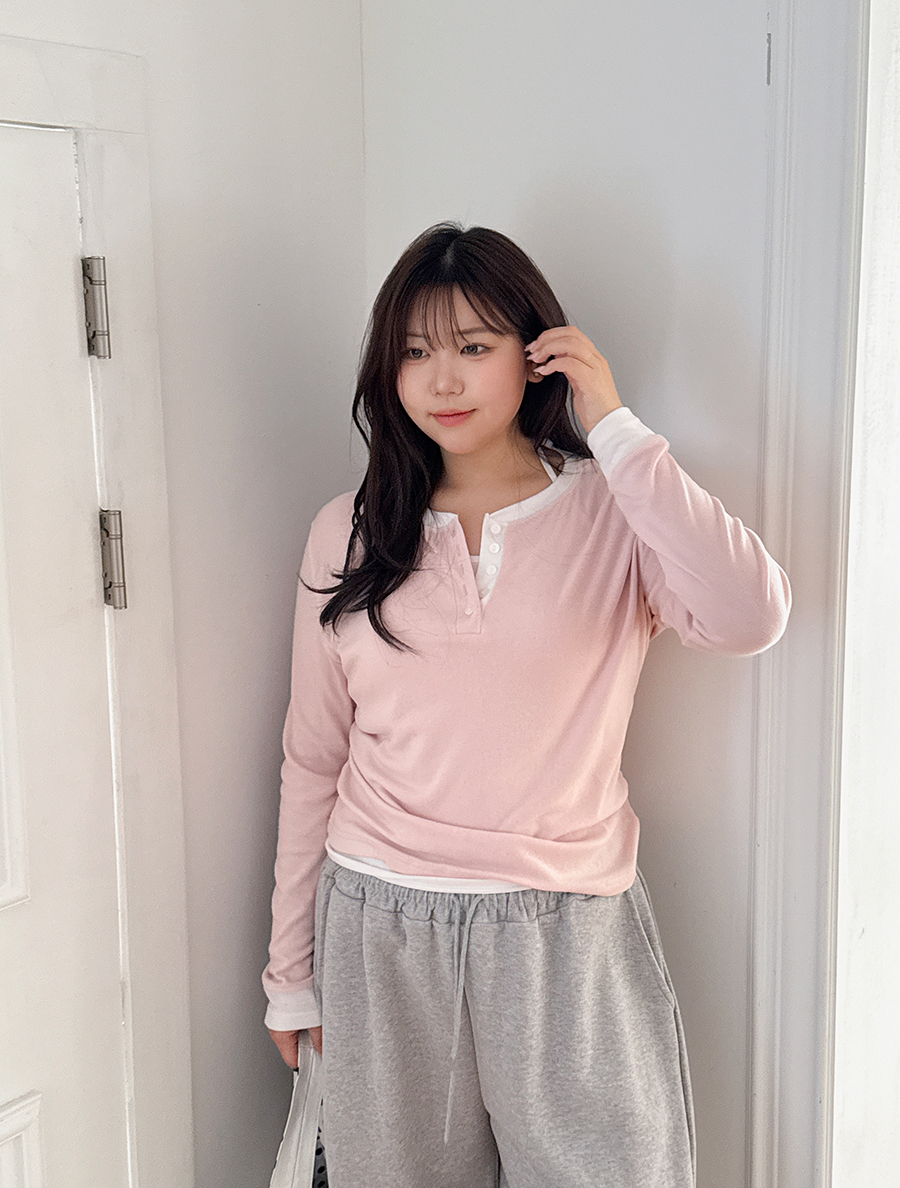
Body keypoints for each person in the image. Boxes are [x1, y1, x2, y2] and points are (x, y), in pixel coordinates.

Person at [262, 222, 791, 1188]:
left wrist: (615, 427)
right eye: (414, 353)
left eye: (473, 346)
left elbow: (750, 614)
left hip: (565, 933)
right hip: (382, 928)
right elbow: (314, 758)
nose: (443, 379)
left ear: (536, 351)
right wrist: (289, 977)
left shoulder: (615, 511)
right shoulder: (348, 531)